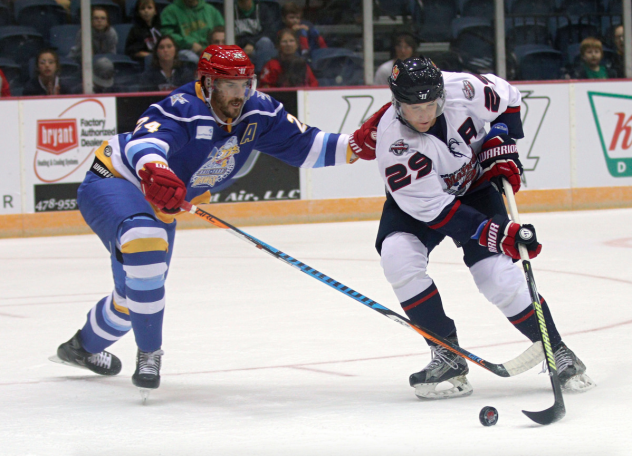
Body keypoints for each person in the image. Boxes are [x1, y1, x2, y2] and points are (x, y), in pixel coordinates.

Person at [51, 44, 375, 396]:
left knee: (133, 299)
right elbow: (145, 143)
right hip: (116, 179)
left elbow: (307, 146)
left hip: (164, 202)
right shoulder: (184, 106)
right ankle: (149, 353)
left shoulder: (259, 112)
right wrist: (156, 171)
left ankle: (80, 348)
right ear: (206, 83)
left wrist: (356, 145)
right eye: (228, 85)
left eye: (244, 84)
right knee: (144, 240)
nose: (239, 95)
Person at [350, 57, 595, 399]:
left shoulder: (462, 88)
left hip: (476, 187)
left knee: (496, 277)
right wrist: (498, 233)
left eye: (430, 105)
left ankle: (557, 349)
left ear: (441, 95)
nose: (422, 115)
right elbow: (439, 211)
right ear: (395, 103)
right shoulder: (393, 142)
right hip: (423, 204)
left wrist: (503, 138)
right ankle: (446, 353)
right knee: (397, 256)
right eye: (412, 107)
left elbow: (508, 97)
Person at [160, 0, 224, 61]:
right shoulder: (170, 11)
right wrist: (190, 44)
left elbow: (222, 30)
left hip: (208, 51)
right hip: (184, 50)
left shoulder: (210, 10)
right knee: (192, 59)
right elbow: (167, 34)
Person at [234, 0, 282, 71]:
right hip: (240, 46)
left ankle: (260, 75)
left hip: (259, 45)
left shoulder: (263, 9)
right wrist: (245, 44)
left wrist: (251, 43)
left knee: (265, 42)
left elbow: (270, 32)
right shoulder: (231, 10)